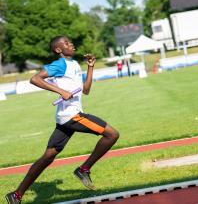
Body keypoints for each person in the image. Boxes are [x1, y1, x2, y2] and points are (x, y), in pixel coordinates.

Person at [5, 36, 119, 204]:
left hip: (65, 117)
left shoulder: (73, 64)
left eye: (70, 42)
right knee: (112, 134)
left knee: (47, 157)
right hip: (72, 116)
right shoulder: (60, 64)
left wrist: (90, 68)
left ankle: (16, 195)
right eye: (66, 43)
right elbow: (35, 79)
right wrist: (60, 91)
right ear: (58, 50)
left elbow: (86, 90)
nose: (71, 44)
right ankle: (83, 169)